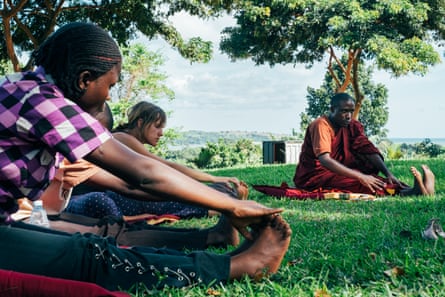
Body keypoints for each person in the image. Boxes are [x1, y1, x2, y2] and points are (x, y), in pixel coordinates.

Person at [0, 22, 291, 291]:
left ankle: (220, 258)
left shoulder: (22, 89)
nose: (110, 97)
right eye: (110, 86)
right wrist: (230, 206)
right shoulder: (43, 102)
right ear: (84, 79)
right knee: (89, 255)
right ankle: (234, 267)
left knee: (88, 244)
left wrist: (222, 201)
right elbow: (143, 173)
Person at [63, 102, 248, 220]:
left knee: (172, 195)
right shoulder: (121, 138)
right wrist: (212, 180)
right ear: (140, 123)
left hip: (118, 193)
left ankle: (222, 204)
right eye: (157, 127)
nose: (161, 133)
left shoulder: (125, 139)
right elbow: (163, 167)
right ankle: (221, 207)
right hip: (111, 195)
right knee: (165, 198)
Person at [293, 92, 435, 197]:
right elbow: (325, 160)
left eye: (351, 111)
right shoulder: (321, 125)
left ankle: (412, 189)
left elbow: (366, 148)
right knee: (360, 182)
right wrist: (360, 176)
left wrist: (388, 173)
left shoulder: (351, 125)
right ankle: (411, 192)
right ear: (332, 110)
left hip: (339, 170)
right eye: (343, 111)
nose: (348, 116)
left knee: (374, 178)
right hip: (314, 177)